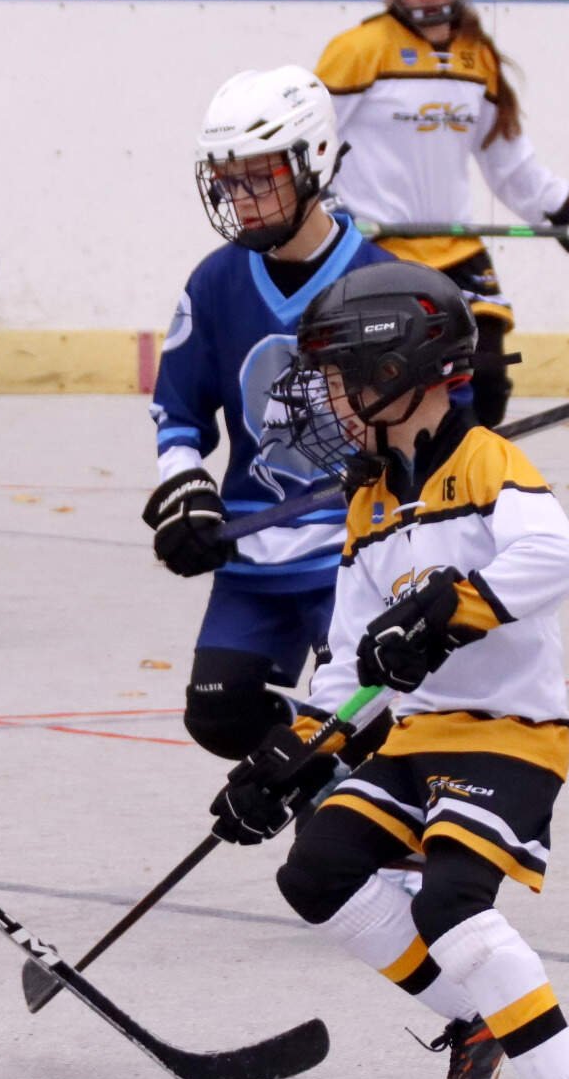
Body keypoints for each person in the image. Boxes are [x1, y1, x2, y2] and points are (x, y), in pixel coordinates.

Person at [210, 261, 569, 1079]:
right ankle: (475, 1018)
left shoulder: (487, 464)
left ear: (398, 369)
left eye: (338, 378)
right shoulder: (370, 503)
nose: (329, 399)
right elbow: (354, 668)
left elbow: (558, 559)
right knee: (316, 870)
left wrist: (449, 605)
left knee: (450, 903)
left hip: (508, 737)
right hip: (415, 739)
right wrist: (289, 760)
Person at [145, 65, 400, 764]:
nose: (243, 199)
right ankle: (321, 785)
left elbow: (432, 424)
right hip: (254, 552)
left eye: (261, 177)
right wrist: (186, 487)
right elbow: (177, 409)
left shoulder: (381, 281)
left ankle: (362, 821)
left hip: (352, 557)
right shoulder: (216, 280)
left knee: (367, 728)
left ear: (314, 160)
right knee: (221, 716)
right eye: (230, 181)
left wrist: (402, 460)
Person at [314, 0, 569, 429]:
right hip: (378, 251)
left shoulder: (478, 57)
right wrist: (323, 218)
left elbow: (509, 164)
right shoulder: (357, 50)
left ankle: (467, 491)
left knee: (488, 380)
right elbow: (311, 143)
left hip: (456, 252)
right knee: (400, 389)